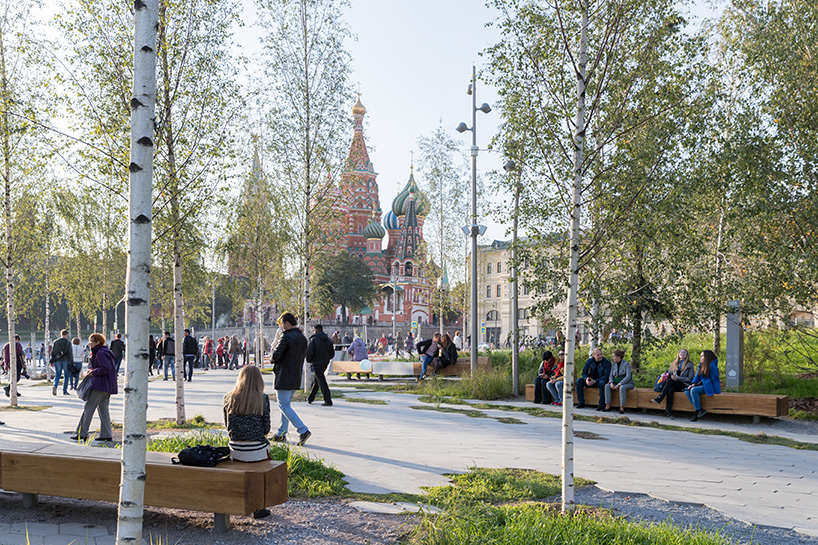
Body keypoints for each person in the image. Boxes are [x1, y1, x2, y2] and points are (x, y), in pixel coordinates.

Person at [222, 365, 272, 518]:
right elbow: (266, 429)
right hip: (256, 450)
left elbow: (228, 426)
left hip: (236, 449)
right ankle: (259, 507)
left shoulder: (228, 397)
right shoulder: (262, 398)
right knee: (263, 466)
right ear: (259, 380)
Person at [270, 312, 311, 446]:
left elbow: (276, 355)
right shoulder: (302, 337)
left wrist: (272, 353)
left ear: (287, 323)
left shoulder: (286, 338)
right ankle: (281, 433)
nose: (281, 327)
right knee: (286, 405)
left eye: (282, 324)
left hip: (284, 376)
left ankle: (302, 430)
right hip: (296, 376)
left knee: (283, 405)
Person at [72, 333, 117, 442]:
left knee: (89, 408)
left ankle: (82, 433)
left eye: (91, 341)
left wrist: (94, 372)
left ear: (98, 342)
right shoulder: (104, 351)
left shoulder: (101, 353)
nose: (89, 343)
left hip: (100, 385)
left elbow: (106, 368)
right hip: (106, 385)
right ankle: (106, 434)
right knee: (103, 410)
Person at [651, 349, 695, 419]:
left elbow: (690, 379)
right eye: (680, 352)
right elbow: (671, 375)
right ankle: (669, 412)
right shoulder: (674, 363)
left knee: (670, 381)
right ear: (678, 354)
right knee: (670, 390)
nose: (682, 354)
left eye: (684, 352)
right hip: (673, 384)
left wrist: (678, 378)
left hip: (683, 385)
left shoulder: (690, 364)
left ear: (687, 355)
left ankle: (660, 398)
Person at [686, 350, 721, 422]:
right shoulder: (701, 364)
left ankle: (696, 412)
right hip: (701, 384)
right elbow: (697, 377)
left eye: (702, 356)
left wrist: (717, 391)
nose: (700, 357)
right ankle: (700, 409)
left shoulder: (712, 366)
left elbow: (715, 379)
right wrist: (693, 384)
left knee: (694, 390)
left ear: (707, 357)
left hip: (709, 386)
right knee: (687, 390)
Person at [306, 324, 334, 406]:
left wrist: (309, 360)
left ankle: (328, 400)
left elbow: (310, 352)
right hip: (325, 362)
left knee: (321, 381)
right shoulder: (328, 340)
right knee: (318, 380)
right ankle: (311, 398)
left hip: (316, 362)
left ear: (315, 330)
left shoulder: (313, 340)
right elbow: (332, 353)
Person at [603, 349, 634, 414]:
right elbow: (611, 375)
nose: (613, 358)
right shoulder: (613, 364)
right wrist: (611, 382)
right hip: (616, 382)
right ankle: (607, 405)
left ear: (618, 357)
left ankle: (622, 407)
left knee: (622, 387)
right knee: (607, 386)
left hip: (627, 383)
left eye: (614, 356)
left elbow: (628, 377)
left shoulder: (626, 364)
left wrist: (619, 384)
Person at [51, 329, 74, 396]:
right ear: (66, 335)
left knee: (58, 374)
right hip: (66, 360)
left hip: (57, 361)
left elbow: (53, 352)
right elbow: (70, 353)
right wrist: (72, 362)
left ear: (61, 334)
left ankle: (55, 385)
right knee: (66, 376)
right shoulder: (68, 343)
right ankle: (64, 390)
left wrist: (52, 360)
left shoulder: (56, 342)